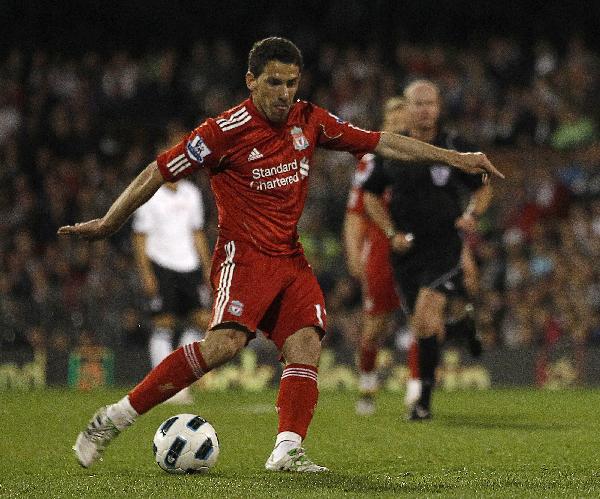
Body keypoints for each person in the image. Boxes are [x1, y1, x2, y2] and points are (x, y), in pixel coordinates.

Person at [58, 38, 502, 473]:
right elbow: (158, 170)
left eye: (292, 82)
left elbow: (383, 141)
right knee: (224, 346)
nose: (285, 93)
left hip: (289, 259)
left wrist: (459, 158)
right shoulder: (222, 132)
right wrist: (109, 222)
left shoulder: (309, 120)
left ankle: (286, 450)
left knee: (306, 341)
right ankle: (114, 417)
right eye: (274, 82)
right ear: (250, 80)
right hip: (244, 258)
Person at [362, 79, 493, 421]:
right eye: (417, 104)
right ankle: (460, 330)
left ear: (439, 107)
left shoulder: (453, 146)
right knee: (425, 325)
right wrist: (391, 232)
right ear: (406, 107)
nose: (424, 110)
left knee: (423, 318)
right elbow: (370, 195)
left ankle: (423, 402)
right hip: (406, 250)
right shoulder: (393, 148)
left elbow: (482, 187)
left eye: (430, 103)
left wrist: (472, 215)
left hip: (444, 246)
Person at [342, 97, 407, 416]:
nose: (399, 124)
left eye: (402, 118)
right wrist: (354, 252)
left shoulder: (421, 153)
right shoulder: (371, 161)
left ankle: (418, 389)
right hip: (381, 248)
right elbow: (355, 213)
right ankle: (367, 383)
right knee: (377, 324)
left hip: (416, 247)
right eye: (393, 119)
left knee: (424, 313)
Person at [131, 172, 212, 404]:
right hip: (161, 265)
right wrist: (146, 273)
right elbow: (139, 238)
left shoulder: (192, 193)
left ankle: (179, 380)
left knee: (202, 321)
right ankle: (164, 387)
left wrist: (206, 267)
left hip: (189, 266)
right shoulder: (149, 194)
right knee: (163, 323)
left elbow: (197, 233)